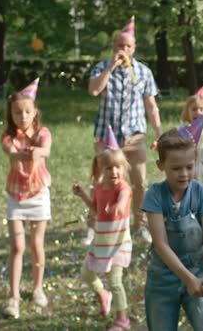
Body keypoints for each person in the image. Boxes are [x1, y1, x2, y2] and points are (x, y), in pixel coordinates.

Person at [88, 15, 162, 244]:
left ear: (134, 48)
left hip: (134, 137)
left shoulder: (143, 72)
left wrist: (159, 133)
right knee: (100, 180)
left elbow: (151, 105)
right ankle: (94, 224)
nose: (124, 49)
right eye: (120, 45)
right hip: (107, 137)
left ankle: (139, 224)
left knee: (139, 182)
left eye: (128, 46)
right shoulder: (101, 67)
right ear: (114, 47)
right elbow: (93, 90)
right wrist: (111, 66)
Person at [143, 128, 203, 330]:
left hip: (199, 272)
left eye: (189, 166)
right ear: (161, 165)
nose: (184, 174)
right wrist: (188, 279)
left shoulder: (200, 193)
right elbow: (161, 244)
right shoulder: (154, 195)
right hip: (162, 278)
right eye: (176, 168)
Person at [72, 126, 133, 331]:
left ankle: (122, 320)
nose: (114, 172)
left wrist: (118, 207)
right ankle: (103, 295)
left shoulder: (123, 188)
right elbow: (97, 210)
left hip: (118, 244)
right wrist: (83, 196)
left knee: (116, 281)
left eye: (118, 167)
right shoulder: (99, 187)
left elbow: (124, 201)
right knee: (87, 275)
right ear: (100, 170)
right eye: (108, 168)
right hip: (101, 242)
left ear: (123, 168)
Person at [0, 78, 51, 318]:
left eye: (27, 111)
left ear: (35, 113)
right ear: (11, 114)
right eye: (17, 112)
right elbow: (10, 152)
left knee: (36, 244)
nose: (22, 116)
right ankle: (13, 296)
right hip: (16, 196)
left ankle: (38, 288)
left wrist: (37, 151)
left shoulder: (42, 133)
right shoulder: (8, 137)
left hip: (38, 193)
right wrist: (23, 153)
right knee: (17, 246)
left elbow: (46, 149)